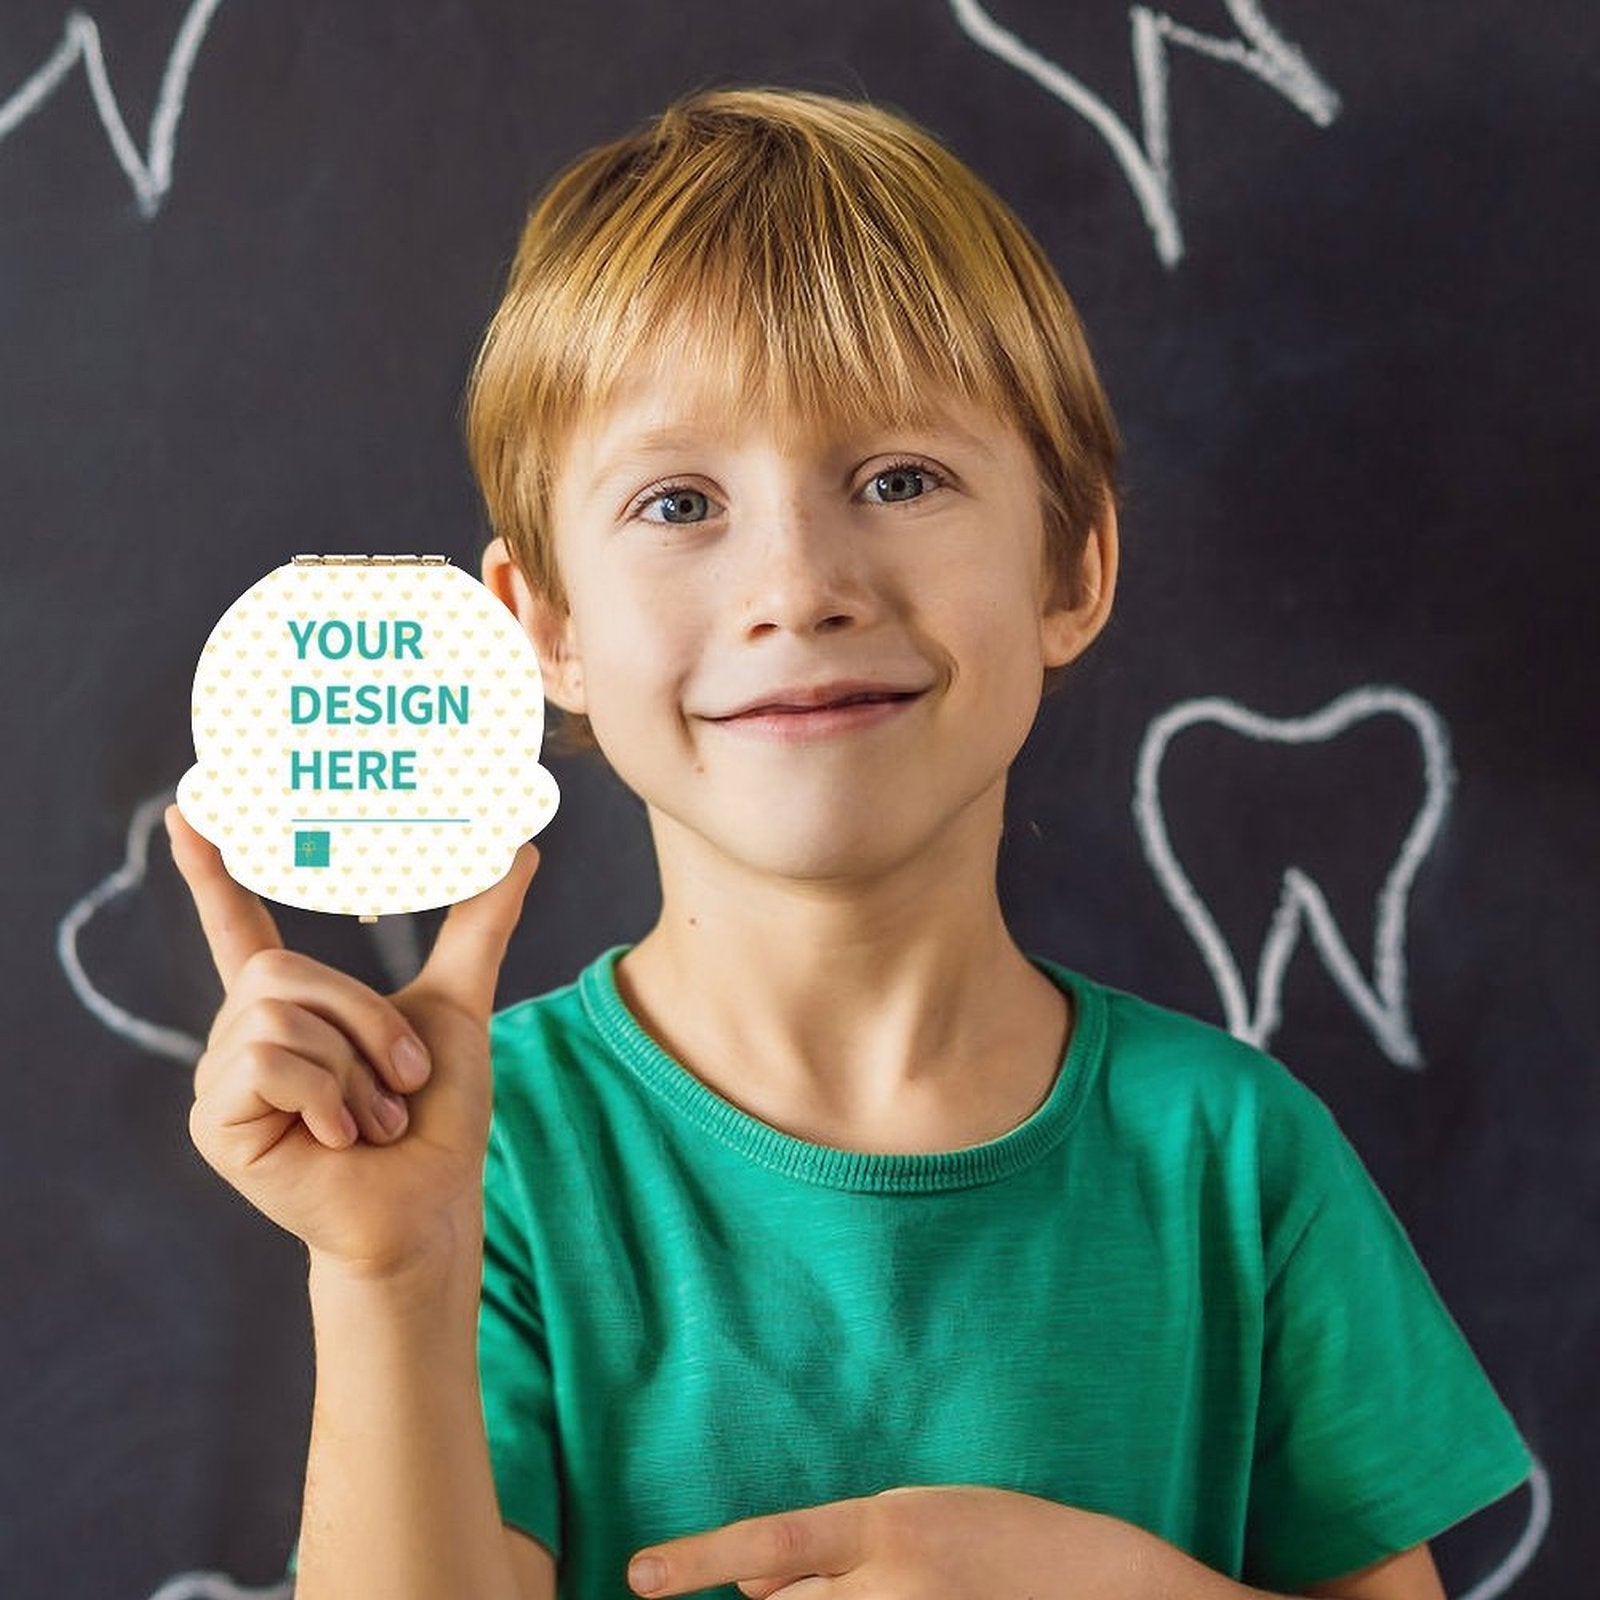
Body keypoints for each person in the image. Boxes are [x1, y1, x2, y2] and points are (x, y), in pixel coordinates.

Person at [166, 84, 1531, 1600]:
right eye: (680, 501)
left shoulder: (1236, 1158)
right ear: (539, 631)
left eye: (898, 480)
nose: (799, 584)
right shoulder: (486, 1162)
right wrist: (386, 1280)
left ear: (1071, 566)